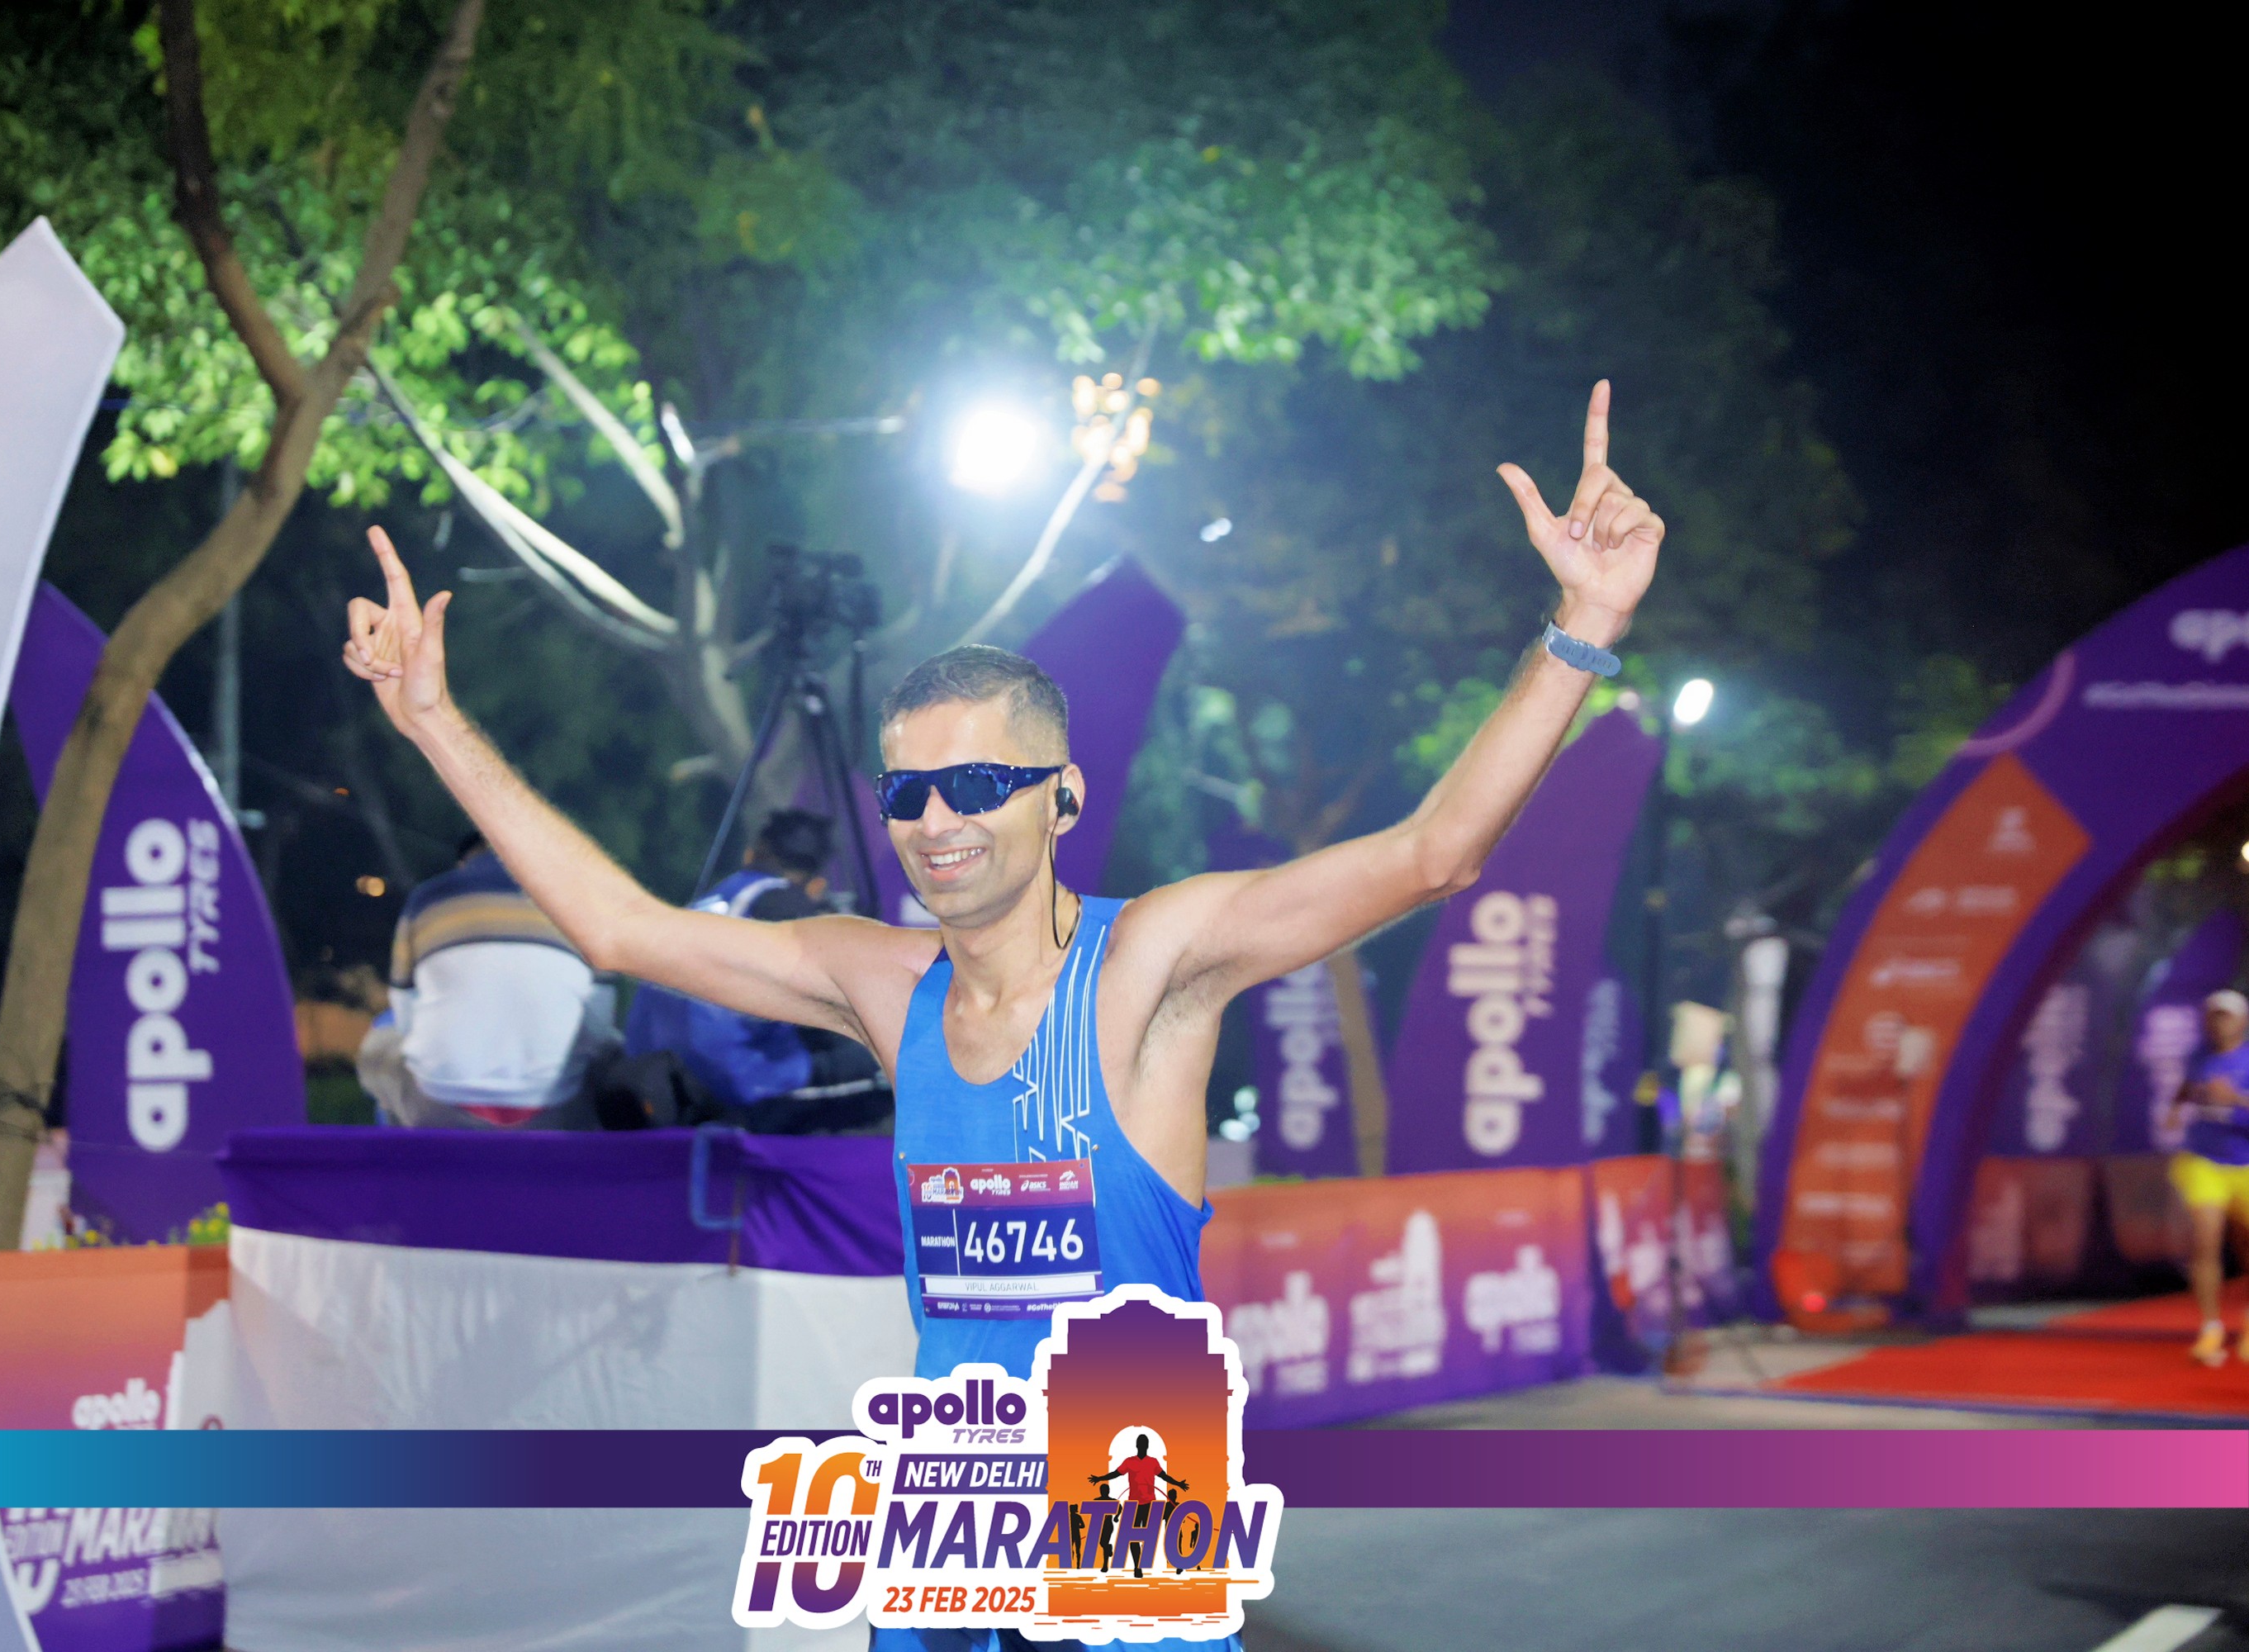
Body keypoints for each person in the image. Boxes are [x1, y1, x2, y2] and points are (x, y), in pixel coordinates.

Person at [346, 382, 1660, 1650]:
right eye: (909, 793)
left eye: (979, 783)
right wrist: (435, 721)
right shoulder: (877, 981)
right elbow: (623, 930)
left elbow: (1432, 854)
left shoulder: (1153, 962)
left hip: (1125, 1497)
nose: (939, 820)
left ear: (1062, 798)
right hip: (950, 1513)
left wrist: (1582, 628)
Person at [622, 809, 893, 1132]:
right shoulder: (786, 905)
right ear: (816, 884)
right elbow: (839, 1006)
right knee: (894, 1070)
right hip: (733, 1090)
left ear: (751, 854)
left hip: (654, 1075)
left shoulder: (713, 900)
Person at [360, 833, 619, 1129]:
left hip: (440, 1103)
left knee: (381, 1039)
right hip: (555, 1106)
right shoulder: (582, 906)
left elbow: (405, 1013)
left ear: (464, 863)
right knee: (611, 1052)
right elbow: (600, 1026)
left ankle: (405, 1150)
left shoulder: (427, 898)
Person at [2160, 987, 2249, 1367]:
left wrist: (2237, 1100)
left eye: (2225, 1016)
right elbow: (2187, 1087)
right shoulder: (2199, 1057)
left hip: (2245, 1164)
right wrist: (2175, 1110)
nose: (2218, 1023)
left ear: (2243, 1021)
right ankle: (2211, 1328)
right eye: (2213, 1015)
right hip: (2204, 1162)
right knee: (2205, 1239)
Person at [1086, 1432, 1189, 1578]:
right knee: (1133, 1538)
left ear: (1147, 1446)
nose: (1142, 1446)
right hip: (1134, 1506)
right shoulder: (1129, 1462)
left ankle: (1176, 1562)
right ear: (1137, 1445)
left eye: (1144, 1444)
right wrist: (1100, 1478)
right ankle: (1137, 1567)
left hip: (1150, 1505)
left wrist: (1178, 1483)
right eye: (1140, 1443)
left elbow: (1164, 1476)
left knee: (1151, 1537)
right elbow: (1116, 1473)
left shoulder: (1153, 1462)